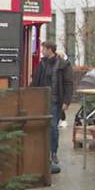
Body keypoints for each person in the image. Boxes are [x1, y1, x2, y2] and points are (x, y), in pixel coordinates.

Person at [31, 41, 74, 171]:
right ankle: (43, 153)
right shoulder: (42, 64)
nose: (42, 51)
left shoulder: (62, 65)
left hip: (55, 100)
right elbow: (36, 81)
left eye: (43, 48)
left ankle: (53, 152)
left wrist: (66, 101)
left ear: (50, 50)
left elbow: (68, 83)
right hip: (41, 100)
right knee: (42, 126)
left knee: (53, 127)